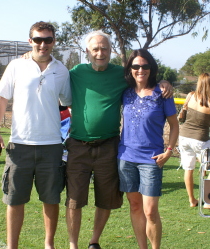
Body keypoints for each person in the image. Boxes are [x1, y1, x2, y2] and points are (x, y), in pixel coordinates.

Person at [65, 31, 173, 249]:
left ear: (111, 50)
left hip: (110, 146)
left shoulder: (120, 75)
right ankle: (73, 245)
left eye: (104, 48)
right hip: (80, 145)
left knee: (106, 198)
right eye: (95, 48)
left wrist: (164, 81)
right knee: (75, 199)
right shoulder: (76, 72)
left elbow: (144, 78)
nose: (100, 53)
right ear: (87, 51)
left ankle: (94, 241)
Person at [0, 21, 71, 249]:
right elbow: (1, 99)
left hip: (52, 145)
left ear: (54, 42)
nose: (43, 44)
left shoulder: (61, 70)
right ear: (30, 41)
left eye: (48, 40)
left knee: (51, 199)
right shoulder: (16, 66)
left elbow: (69, 103)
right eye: (38, 39)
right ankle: (11, 246)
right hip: (19, 145)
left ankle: (49, 244)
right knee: (15, 200)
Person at [118, 49, 179, 249]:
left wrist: (169, 150)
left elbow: (174, 125)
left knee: (150, 211)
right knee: (135, 206)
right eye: (136, 66)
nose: (140, 69)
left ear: (151, 68)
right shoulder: (125, 92)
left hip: (151, 159)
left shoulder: (162, 93)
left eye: (145, 66)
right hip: (126, 158)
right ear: (130, 69)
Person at [178, 72, 210, 210]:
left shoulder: (190, 95)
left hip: (184, 137)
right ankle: (209, 200)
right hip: (200, 139)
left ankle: (192, 200)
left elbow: (182, 115)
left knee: (188, 169)